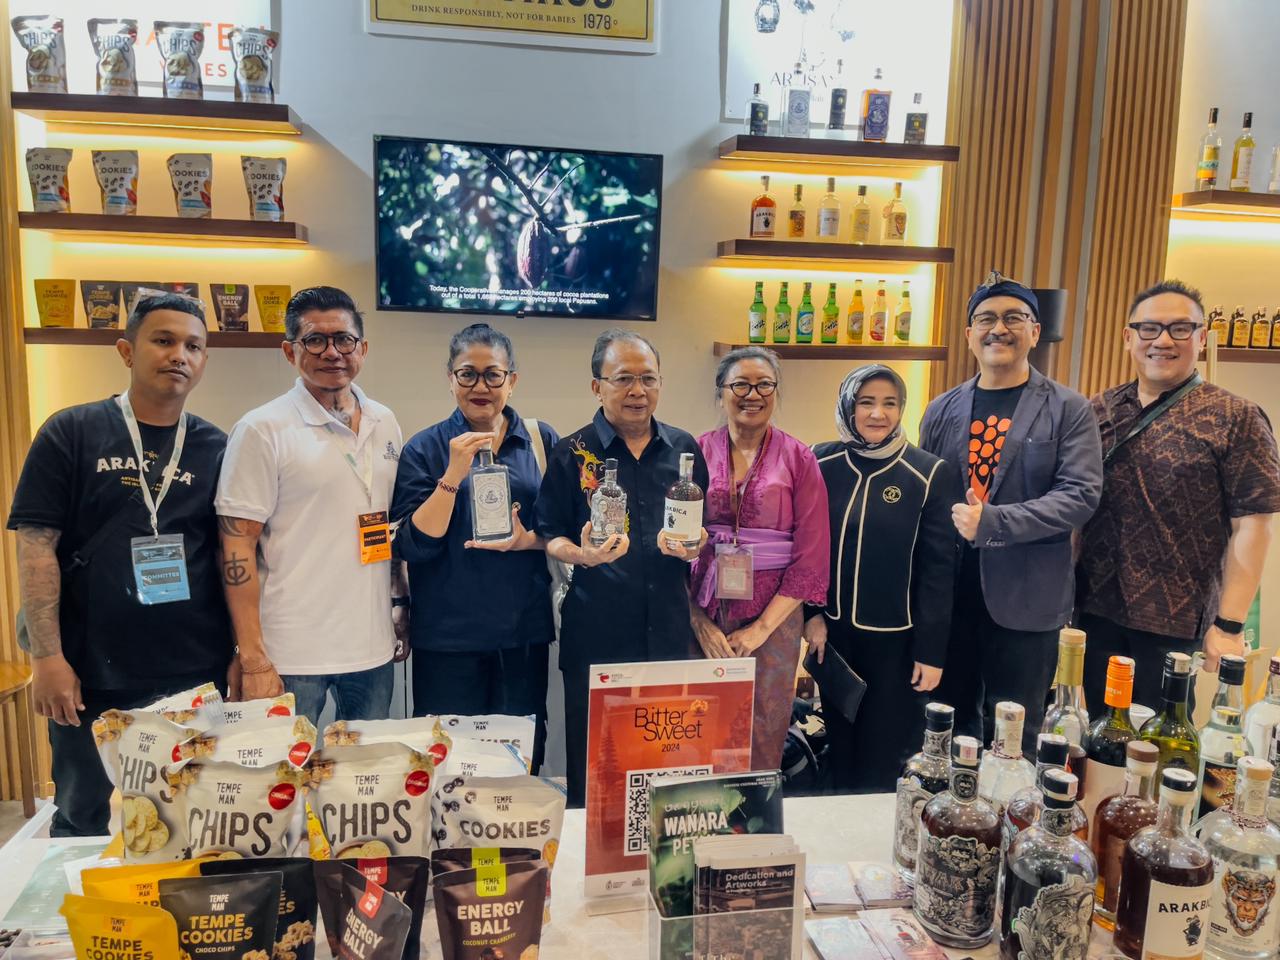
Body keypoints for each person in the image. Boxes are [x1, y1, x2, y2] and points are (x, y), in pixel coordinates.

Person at [7, 294, 231, 836]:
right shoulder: (71, 432)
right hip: (88, 669)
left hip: (191, 667)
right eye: (163, 340)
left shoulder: (216, 446)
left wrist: (240, 654)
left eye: (193, 346)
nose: (179, 355)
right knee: (81, 814)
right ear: (127, 351)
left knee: (188, 817)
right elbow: (36, 547)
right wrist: (48, 658)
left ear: (204, 361)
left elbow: (231, 553)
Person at [920, 271, 1103, 753]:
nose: (998, 329)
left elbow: (1080, 494)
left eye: (1013, 318)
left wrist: (994, 522)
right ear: (969, 334)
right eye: (986, 319)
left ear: (1035, 332)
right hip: (950, 600)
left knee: (1014, 732)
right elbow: (927, 500)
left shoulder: (1069, 409)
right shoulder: (940, 409)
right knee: (946, 724)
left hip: (1027, 600)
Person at [1077, 280, 1280, 709]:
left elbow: (1255, 525)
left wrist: (1228, 625)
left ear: (1202, 339)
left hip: (1173, 622)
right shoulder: (1099, 409)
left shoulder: (1236, 417)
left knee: (1161, 735)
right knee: (1094, 729)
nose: (1163, 341)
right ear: (1129, 337)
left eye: (1180, 329)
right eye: (1149, 328)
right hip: (1093, 609)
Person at [215, 286, 406, 726]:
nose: (332, 352)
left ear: (362, 348)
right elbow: (237, 545)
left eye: (344, 340)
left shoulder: (385, 421)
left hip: (372, 648)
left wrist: (400, 610)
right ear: (290, 351)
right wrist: (252, 657)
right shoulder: (262, 429)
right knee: (284, 769)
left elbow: (389, 526)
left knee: (365, 768)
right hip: (289, 654)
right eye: (315, 340)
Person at [535, 330, 709, 805]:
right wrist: (581, 554)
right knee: (596, 762)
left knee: (664, 760)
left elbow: (700, 527)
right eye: (624, 379)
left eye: (648, 379)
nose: (638, 391)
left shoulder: (683, 449)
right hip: (597, 631)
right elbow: (550, 534)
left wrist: (696, 545)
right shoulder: (572, 452)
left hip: (667, 631)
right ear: (598, 386)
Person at [390, 323, 558, 770]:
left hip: (521, 636)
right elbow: (413, 545)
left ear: (512, 380)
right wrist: (453, 474)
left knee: (517, 765)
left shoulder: (540, 442)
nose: (480, 387)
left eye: (493, 375)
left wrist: (527, 541)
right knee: (448, 768)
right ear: (450, 378)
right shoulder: (425, 448)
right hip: (448, 639)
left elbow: (561, 529)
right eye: (468, 374)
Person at [804, 365, 961, 792]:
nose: (878, 414)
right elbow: (807, 546)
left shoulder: (928, 473)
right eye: (866, 402)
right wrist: (811, 614)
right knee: (840, 749)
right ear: (848, 407)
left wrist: (931, 652)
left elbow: (937, 570)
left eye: (890, 403)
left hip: (897, 645)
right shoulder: (820, 461)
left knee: (883, 759)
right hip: (834, 640)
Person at [687, 347, 829, 770]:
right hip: (704, 607)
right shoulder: (694, 451)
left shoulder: (799, 457)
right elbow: (671, 542)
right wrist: (697, 620)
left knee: (764, 725)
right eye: (741, 385)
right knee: (699, 719)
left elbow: (812, 554)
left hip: (775, 617)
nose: (753, 394)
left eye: (764, 385)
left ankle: (757, 811)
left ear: (776, 392)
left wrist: (761, 629)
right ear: (720, 393)